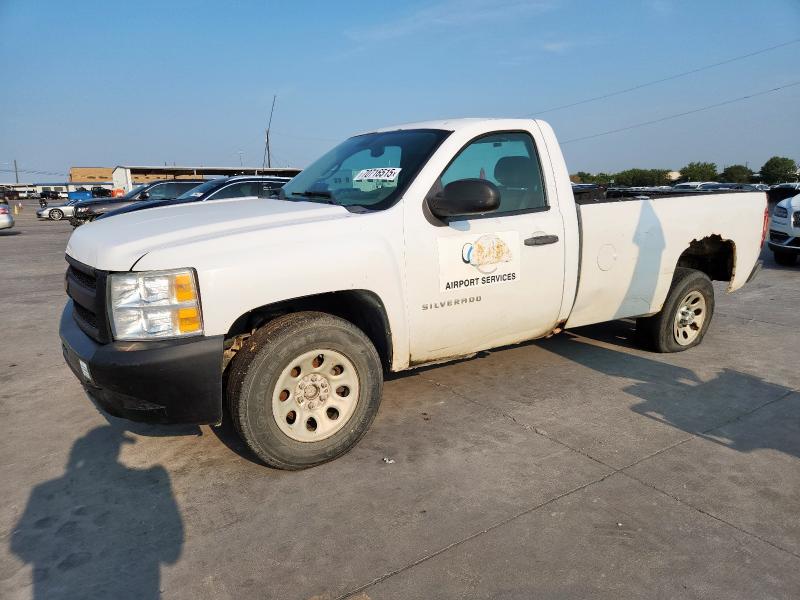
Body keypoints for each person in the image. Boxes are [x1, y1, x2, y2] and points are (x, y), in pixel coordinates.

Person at [10, 426, 184, 599]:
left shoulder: (42, 491)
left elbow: (19, 546)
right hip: (138, 582)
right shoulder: (150, 476)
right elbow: (171, 555)